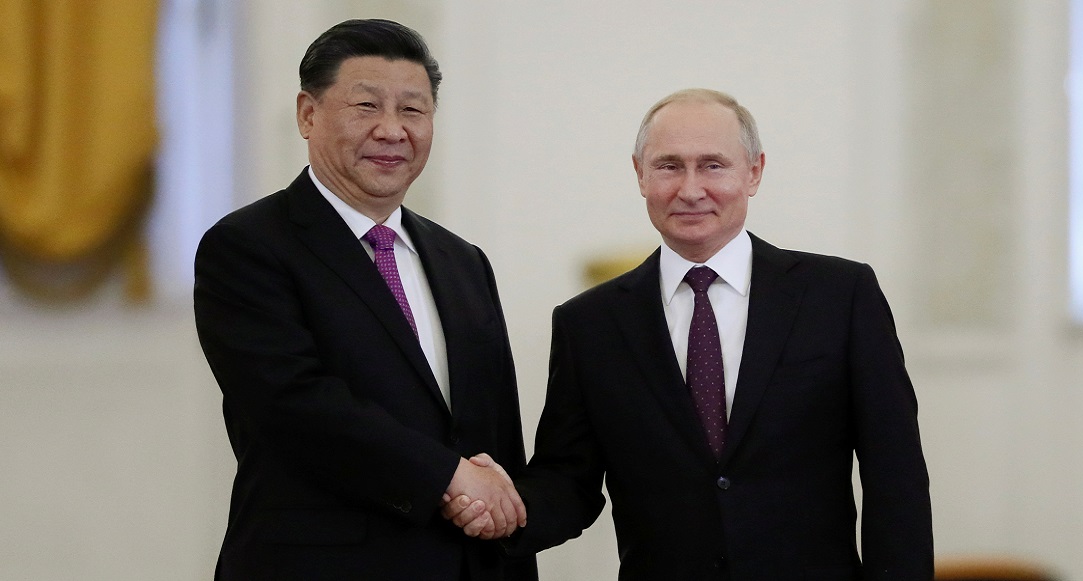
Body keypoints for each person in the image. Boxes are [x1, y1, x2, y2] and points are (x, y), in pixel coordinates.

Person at [446, 88, 933, 580]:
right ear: (640, 174)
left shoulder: (840, 296)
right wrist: (504, 507)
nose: (691, 189)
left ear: (754, 172)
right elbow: (570, 479)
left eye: (713, 165)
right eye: (669, 166)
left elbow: (896, 475)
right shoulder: (589, 324)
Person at [194, 19, 536, 581]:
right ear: (308, 114)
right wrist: (448, 476)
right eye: (366, 106)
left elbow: (497, 441)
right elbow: (295, 406)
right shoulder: (247, 247)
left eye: (412, 110)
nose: (392, 130)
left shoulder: (462, 261)